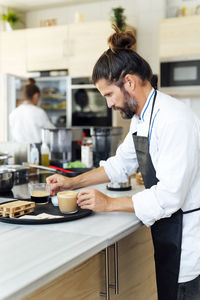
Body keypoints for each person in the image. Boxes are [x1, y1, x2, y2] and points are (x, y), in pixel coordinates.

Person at [47, 27, 200, 300]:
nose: (108, 105)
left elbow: (170, 196)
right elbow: (119, 165)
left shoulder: (174, 118)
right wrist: (71, 181)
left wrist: (108, 204)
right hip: (168, 232)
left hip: (189, 240)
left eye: (108, 95)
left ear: (128, 82)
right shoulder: (141, 118)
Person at [9, 78, 55, 143]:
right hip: (35, 149)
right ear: (36, 96)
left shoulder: (13, 113)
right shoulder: (39, 112)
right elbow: (52, 130)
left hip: (18, 149)